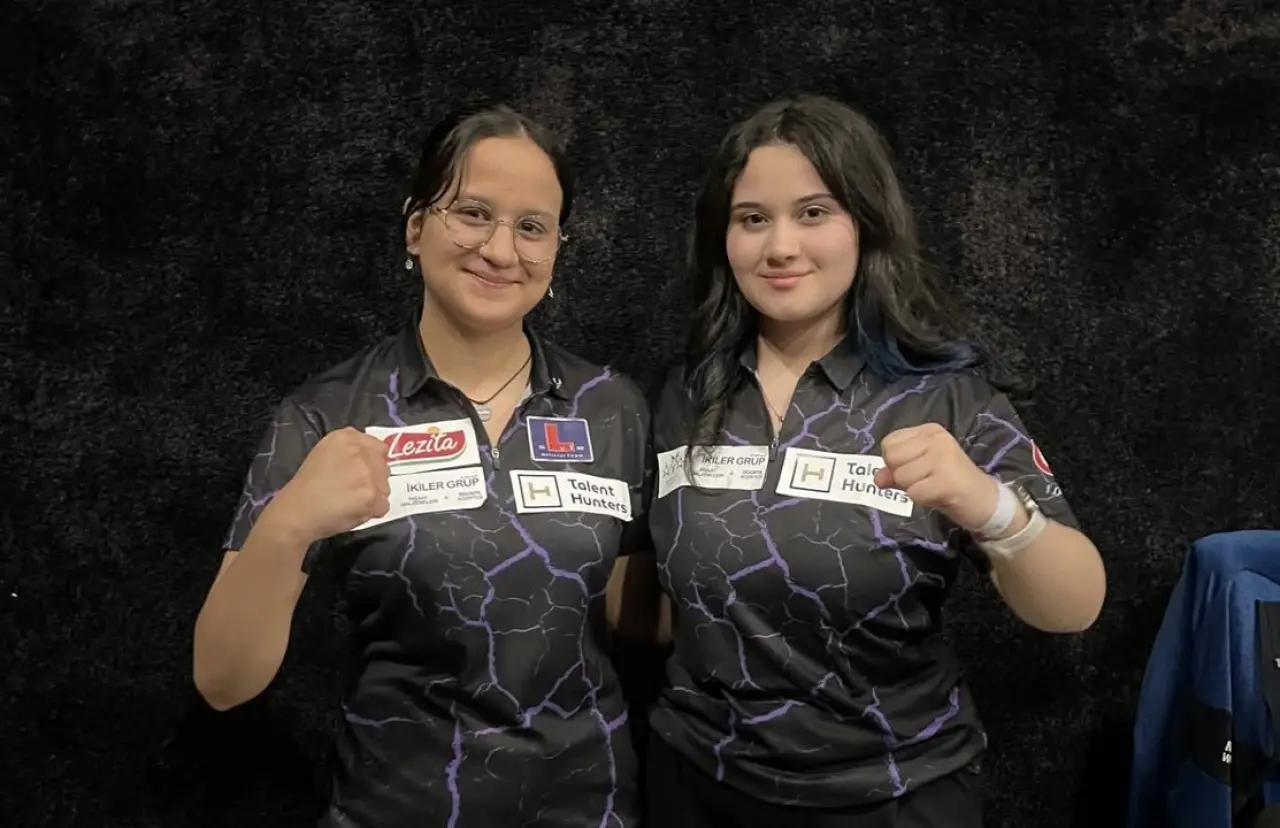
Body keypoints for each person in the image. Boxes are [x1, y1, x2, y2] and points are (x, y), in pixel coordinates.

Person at [639, 96, 1107, 828]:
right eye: (753, 218)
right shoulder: (683, 395)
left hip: (894, 792)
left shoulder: (948, 400)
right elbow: (656, 602)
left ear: (866, 223)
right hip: (700, 782)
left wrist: (990, 508)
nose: (780, 246)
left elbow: (1076, 605)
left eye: (813, 212)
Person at [192, 105, 653, 828]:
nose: (500, 250)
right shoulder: (328, 413)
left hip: (588, 810)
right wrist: (287, 525)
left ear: (558, 247)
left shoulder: (612, 406)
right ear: (415, 227)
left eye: (532, 226)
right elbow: (222, 682)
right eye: (472, 213)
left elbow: (640, 616)